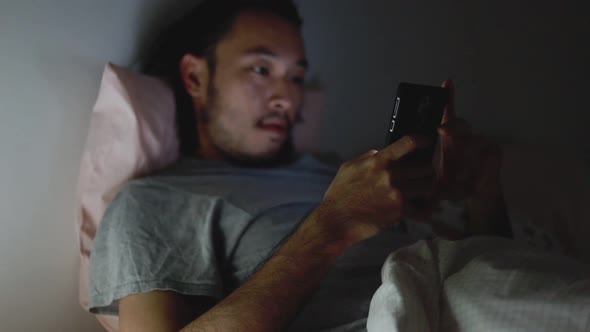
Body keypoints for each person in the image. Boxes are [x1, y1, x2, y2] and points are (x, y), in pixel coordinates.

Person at [87, 1, 510, 331]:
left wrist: (483, 197)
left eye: (295, 77)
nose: (285, 98)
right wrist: (332, 224)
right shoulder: (154, 201)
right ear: (195, 77)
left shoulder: (338, 173)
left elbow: (494, 274)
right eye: (260, 69)